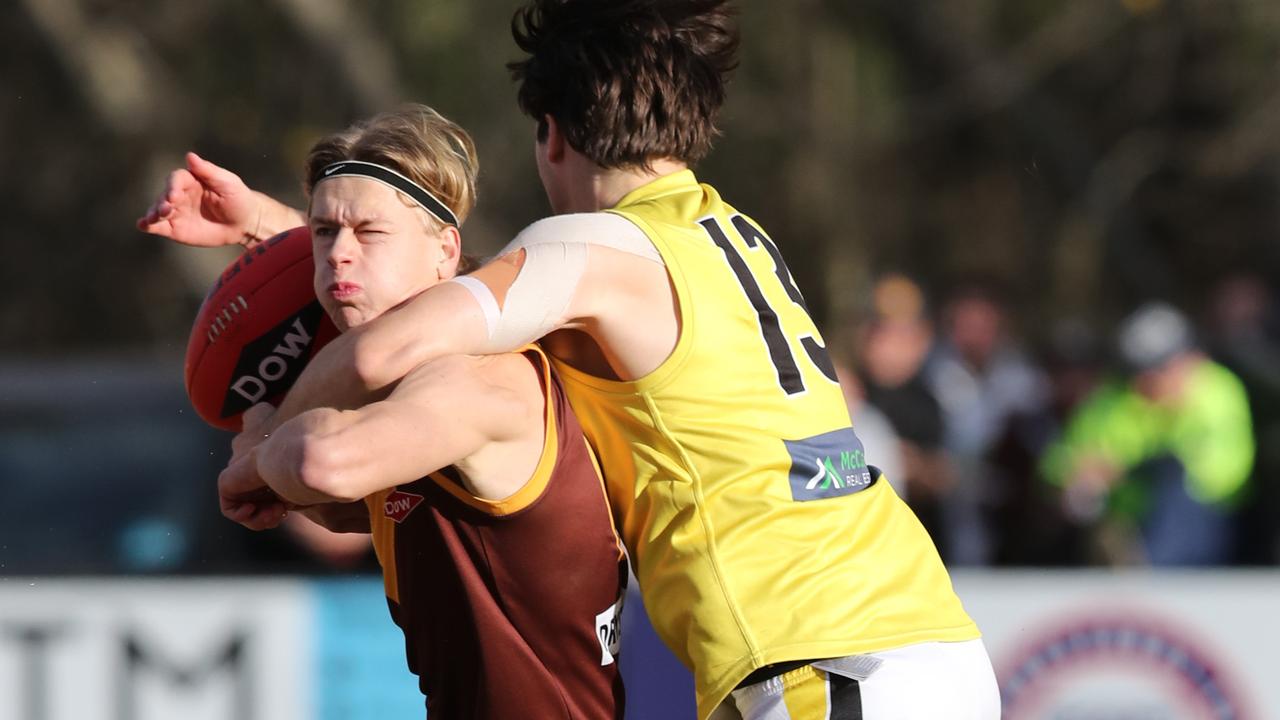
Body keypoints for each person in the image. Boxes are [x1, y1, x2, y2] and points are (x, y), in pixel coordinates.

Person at [141, 3, 997, 718]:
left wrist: (261, 452)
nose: (340, 255)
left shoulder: (590, 248)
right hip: (903, 630)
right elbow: (413, 289)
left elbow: (390, 344)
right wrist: (278, 230)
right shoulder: (722, 231)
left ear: (552, 136)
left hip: (824, 650)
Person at [150, 105, 627, 719]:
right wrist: (263, 222)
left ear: (445, 251)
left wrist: (256, 455)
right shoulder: (403, 398)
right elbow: (339, 508)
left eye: (369, 233)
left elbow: (323, 462)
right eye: (323, 233)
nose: (338, 254)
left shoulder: (475, 379)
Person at [1042, 302, 1255, 566]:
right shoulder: (1114, 398)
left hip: (1203, 530)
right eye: (1138, 370)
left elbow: (1219, 477)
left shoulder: (1218, 391)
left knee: (1175, 487)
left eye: (1158, 369)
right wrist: (1078, 473)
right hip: (1121, 527)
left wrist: (1131, 471)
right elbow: (1057, 461)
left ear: (1190, 359)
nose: (1145, 380)